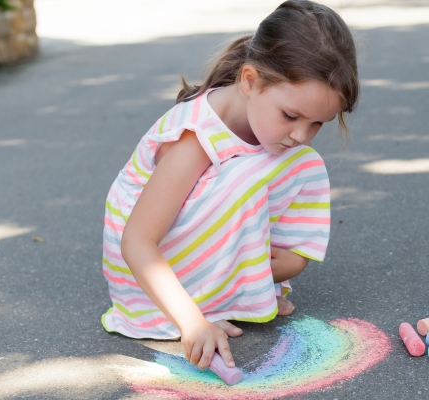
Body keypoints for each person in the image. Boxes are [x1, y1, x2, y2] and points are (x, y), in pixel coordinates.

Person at [100, 0, 359, 372]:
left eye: (318, 124)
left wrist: (289, 261)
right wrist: (192, 324)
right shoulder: (195, 138)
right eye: (290, 116)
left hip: (186, 253)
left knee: (301, 165)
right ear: (250, 81)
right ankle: (202, 304)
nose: (302, 134)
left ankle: (234, 292)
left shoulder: (271, 127)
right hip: (146, 278)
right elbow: (137, 241)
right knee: (250, 175)